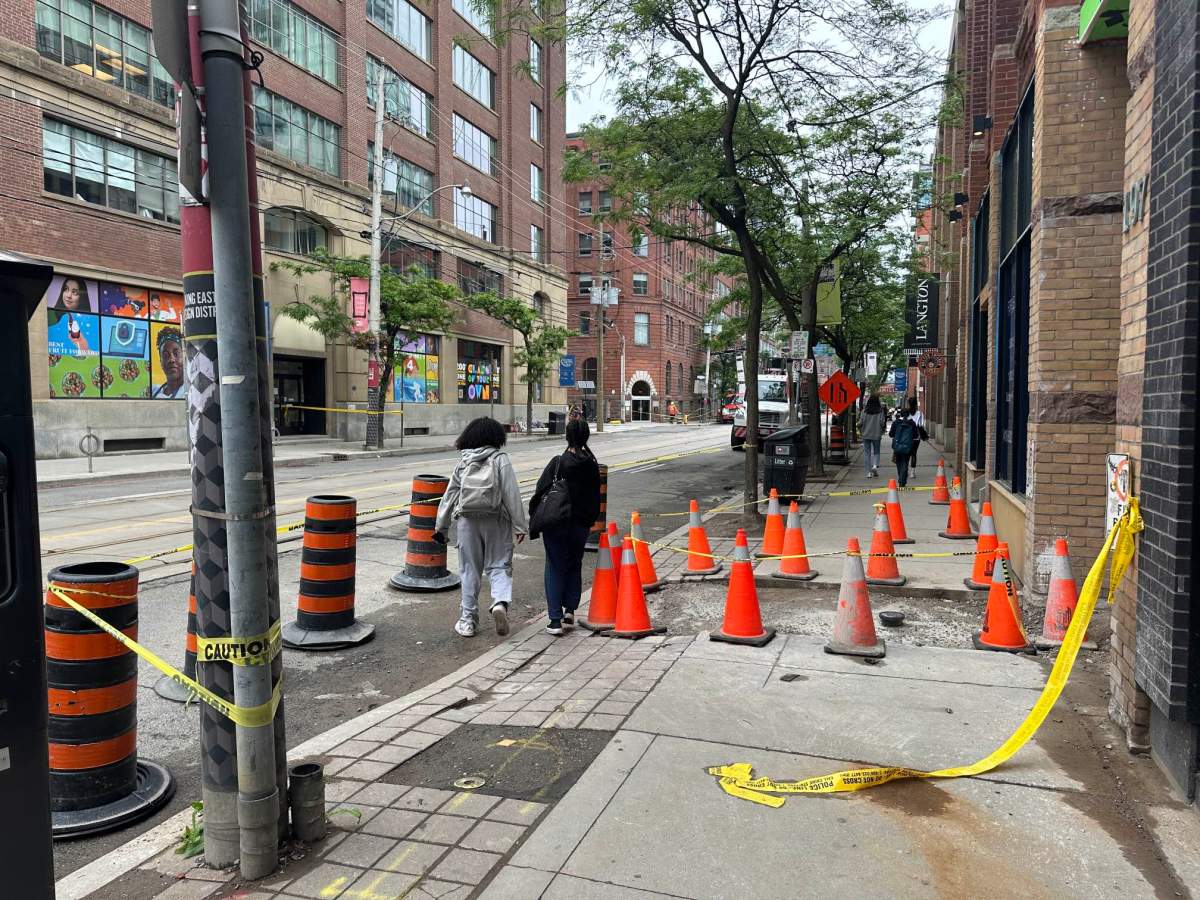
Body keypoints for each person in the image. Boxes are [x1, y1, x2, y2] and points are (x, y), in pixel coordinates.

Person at [435, 417, 527, 638]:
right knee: (498, 565)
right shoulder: (500, 459)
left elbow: (450, 496)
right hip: (496, 519)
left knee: (469, 570)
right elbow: (511, 493)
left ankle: (467, 621)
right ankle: (500, 603)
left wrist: (442, 526)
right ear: (497, 437)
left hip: (467, 521)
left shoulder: (464, 461)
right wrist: (520, 525)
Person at [529, 418, 601, 635]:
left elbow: (540, 490)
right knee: (574, 564)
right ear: (586, 436)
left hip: (557, 523)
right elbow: (596, 498)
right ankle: (570, 610)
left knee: (554, 565)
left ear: (567, 436)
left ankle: (554, 620)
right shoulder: (591, 464)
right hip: (580, 525)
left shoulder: (559, 462)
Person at [151, 327, 186, 399]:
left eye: (176, 353)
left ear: (185, 357)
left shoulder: (191, 393)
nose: (171, 359)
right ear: (161, 361)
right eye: (165, 355)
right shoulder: (153, 391)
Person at [889, 405, 919, 487]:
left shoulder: (896, 422)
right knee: (905, 462)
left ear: (900, 414)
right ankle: (903, 480)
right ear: (909, 414)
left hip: (898, 446)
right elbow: (916, 435)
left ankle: (901, 478)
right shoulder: (912, 423)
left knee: (898, 462)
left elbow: (891, 434)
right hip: (908, 446)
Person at [860, 396, 886, 478]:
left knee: (867, 453)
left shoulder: (864, 411)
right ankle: (875, 465)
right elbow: (882, 423)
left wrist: (858, 425)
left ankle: (868, 472)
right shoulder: (880, 411)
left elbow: (861, 422)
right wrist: (883, 428)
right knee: (876, 451)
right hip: (877, 434)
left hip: (866, 434)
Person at [907, 396, 928, 470]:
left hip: (907, 436)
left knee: (907, 454)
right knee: (914, 453)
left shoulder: (906, 413)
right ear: (916, 404)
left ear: (909, 404)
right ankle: (912, 472)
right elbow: (921, 425)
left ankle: (905, 470)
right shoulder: (919, 413)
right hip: (916, 436)